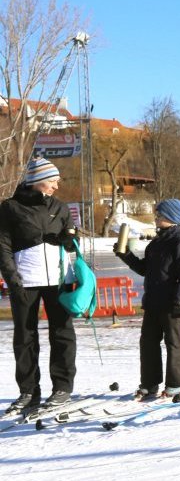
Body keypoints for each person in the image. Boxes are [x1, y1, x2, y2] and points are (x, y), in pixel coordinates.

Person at [0, 158, 78, 413]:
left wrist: (68, 240)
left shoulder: (61, 207)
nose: (57, 186)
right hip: (25, 280)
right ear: (37, 181)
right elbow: (3, 246)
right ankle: (28, 391)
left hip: (58, 280)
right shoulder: (10, 208)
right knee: (25, 337)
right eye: (53, 181)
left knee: (62, 333)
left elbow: (70, 246)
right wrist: (12, 278)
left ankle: (62, 388)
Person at [114, 198, 180, 398]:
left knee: (174, 343)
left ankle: (175, 385)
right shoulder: (156, 243)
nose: (156, 217)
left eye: (159, 214)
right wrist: (125, 255)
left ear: (171, 217)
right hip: (153, 303)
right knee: (148, 343)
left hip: (173, 303)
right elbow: (145, 269)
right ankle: (149, 384)